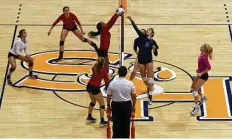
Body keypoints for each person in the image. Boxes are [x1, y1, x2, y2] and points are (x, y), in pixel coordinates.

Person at [127, 16, 159, 105]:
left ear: (152, 33)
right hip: (141, 60)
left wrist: (154, 49)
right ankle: (149, 88)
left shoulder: (153, 42)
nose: (147, 30)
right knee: (144, 78)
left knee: (149, 80)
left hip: (149, 60)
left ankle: (150, 96)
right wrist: (131, 20)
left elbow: (156, 54)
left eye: (149, 30)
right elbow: (136, 28)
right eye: (147, 30)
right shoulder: (141, 37)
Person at [106, 66, 136, 138]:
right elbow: (134, 96)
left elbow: (108, 96)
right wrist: (133, 106)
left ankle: (116, 136)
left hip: (116, 105)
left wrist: (108, 106)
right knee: (126, 123)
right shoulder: (130, 84)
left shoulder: (112, 83)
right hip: (126, 105)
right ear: (126, 73)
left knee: (116, 123)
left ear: (118, 73)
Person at [86, 57, 110, 127]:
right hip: (95, 88)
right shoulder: (103, 70)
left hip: (89, 86)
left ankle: (89, 117)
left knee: (93, 102)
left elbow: (95, 72)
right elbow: (107, 81)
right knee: (102, 104)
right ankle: (102, 121)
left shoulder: (95, 67)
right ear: (103, 63)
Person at [190, 43, 212, 116]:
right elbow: (201, 65)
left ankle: (196, 107)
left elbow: (209, 67)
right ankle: (203, 98)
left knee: (195, 90)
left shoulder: (204, 57)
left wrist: (201, 72)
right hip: (199, 74)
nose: (200, 47)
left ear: (204, 49)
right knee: (193, 87)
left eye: (202, 47)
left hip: (203, 76)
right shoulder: (202, 53)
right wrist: (199, 69)